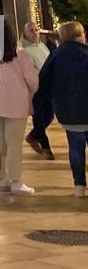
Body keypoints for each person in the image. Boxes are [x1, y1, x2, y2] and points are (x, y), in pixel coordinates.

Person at [38, 20, 88, 197]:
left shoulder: (56, 56)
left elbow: (43, 81)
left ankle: (79, 186)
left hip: (68, 110)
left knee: (75, 148)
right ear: (81, 35)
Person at [0, 20, 39, 195]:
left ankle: (1, 179)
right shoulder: (20, 55)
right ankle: (15, 180)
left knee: (0, 144)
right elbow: (33, 81)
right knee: (14, 144)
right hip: (17, 105)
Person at [22, 20, 54, 159]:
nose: (35, 33)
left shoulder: (43, 47)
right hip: (34, 90)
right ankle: (46, 148)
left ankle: (33, 136)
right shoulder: (23, 51)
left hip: (47, 87)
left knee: (49, 115)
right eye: (31, 30)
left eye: (36, 30)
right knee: (39, 118)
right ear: (25, 32)